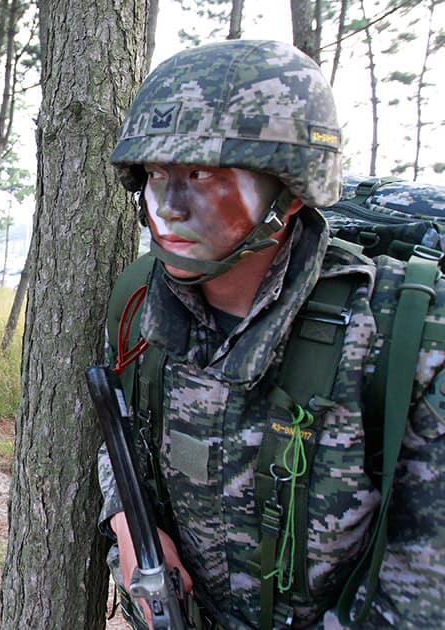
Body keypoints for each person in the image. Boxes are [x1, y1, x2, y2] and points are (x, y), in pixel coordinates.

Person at [97, 40, 445, 629]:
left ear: (289, 188)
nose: (170, 207)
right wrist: (129, 524)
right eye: (157, 174)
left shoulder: (405, 333)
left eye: (201, 174)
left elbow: (422, 596)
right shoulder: (139, 306)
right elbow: (118, 435)